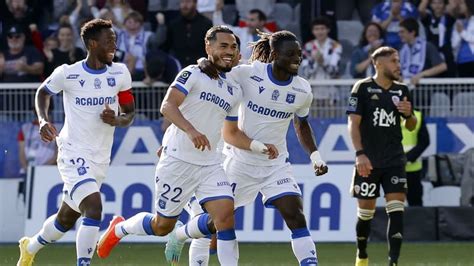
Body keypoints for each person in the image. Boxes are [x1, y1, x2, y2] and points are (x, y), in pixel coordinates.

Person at [96, 26, 273, 266]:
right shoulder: (192, 73)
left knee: (224, 217)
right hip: (178, 161)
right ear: (208, 47)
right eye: (223, 46)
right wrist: (190, 131)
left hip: (210, 163)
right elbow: (168, 106)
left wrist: (258, 146)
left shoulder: (235, 90)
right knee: (161, 226)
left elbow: (231, 133)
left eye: (233, 47)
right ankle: (120, 228)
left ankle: (187, 240)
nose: (229, 51)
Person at [169, 30, 329, 266]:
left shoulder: (303, 89)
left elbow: (301, 123)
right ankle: (180, 234)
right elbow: (216, 68)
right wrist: (203, 62)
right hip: (239, 163)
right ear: (274, 54)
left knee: (295, 216)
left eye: (299, 54)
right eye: (291, 54)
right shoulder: (248, 73)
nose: (297, 59)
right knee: (216, 222)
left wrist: (315, 156)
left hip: (275, 165)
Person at [16, 18, 135, 266]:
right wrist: (42, 120)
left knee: (65, 220)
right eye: (109, 41)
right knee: (93, 207)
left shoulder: (120, 73)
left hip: (100, 156)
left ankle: (30, 246)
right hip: (72, 151)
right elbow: (43, 93)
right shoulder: (68, 73)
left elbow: (129, 113)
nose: (114, 45)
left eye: (115, 39)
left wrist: (117, 120)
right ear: (92, 44)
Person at [346, 46, 417, 266]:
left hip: (395, 160)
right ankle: (362, 254)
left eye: (398, 61)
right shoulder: (362, 88)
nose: (398, 65)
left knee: (396, 212)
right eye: (394, 61)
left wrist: (408, 114)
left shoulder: (402, 89)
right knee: (365, 214)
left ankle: (393, 262)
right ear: (378, 63)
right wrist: (360, 154)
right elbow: (353, 124)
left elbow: (412, 125)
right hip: (368, 161)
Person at [161, 0, 213, 67]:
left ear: (195, 3)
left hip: (200, 69)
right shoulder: (174, 24)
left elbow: (211, 49)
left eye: (188, 1)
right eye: (182, 2)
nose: (184, 5)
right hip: (179, 69)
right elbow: (166, 47)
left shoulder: (206, 24)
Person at [399, 17, 447, 86]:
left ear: (412, 32)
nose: (399, 35)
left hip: (424, 90)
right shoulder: (402, 49)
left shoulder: (427, 46)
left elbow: (442, 66)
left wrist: (421, 74)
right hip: (406, 90)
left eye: (402, 32)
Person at [418, 0, 456, 77]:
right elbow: (421, 9)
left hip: (447, 53)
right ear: (430, 5)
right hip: (432, 53)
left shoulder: (448, 17)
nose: (437, 5)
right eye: (434, 3)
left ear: (444, 4)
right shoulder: (428, 18)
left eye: (440, 3)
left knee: (449, 80)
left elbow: (454, 6)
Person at [402, 109, 429, 206]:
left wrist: (407, 158)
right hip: (392, 168)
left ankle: (417, 221)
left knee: (415, 202)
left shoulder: (417, 115)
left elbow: (424, 141)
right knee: (394, 204)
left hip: (412, 168)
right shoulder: (385, 114)